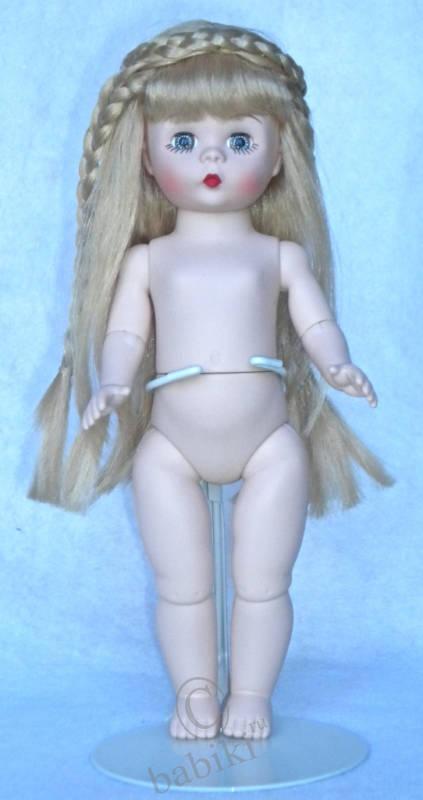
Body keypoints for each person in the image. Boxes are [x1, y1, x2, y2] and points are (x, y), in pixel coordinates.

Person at [28, 20, 393, 740]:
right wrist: (113, 382)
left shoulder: (280, 255)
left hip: (268, 443)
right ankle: (194, 696)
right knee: (183, 588)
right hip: (171, 445)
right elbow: (126, 334)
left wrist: (337, 364)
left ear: (279, 154)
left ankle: (250, 696)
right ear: (145, 155)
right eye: (184, 140)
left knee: (263, 585)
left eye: (241, 139)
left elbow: (316, 321)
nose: (213, 157)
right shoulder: (149, 260)